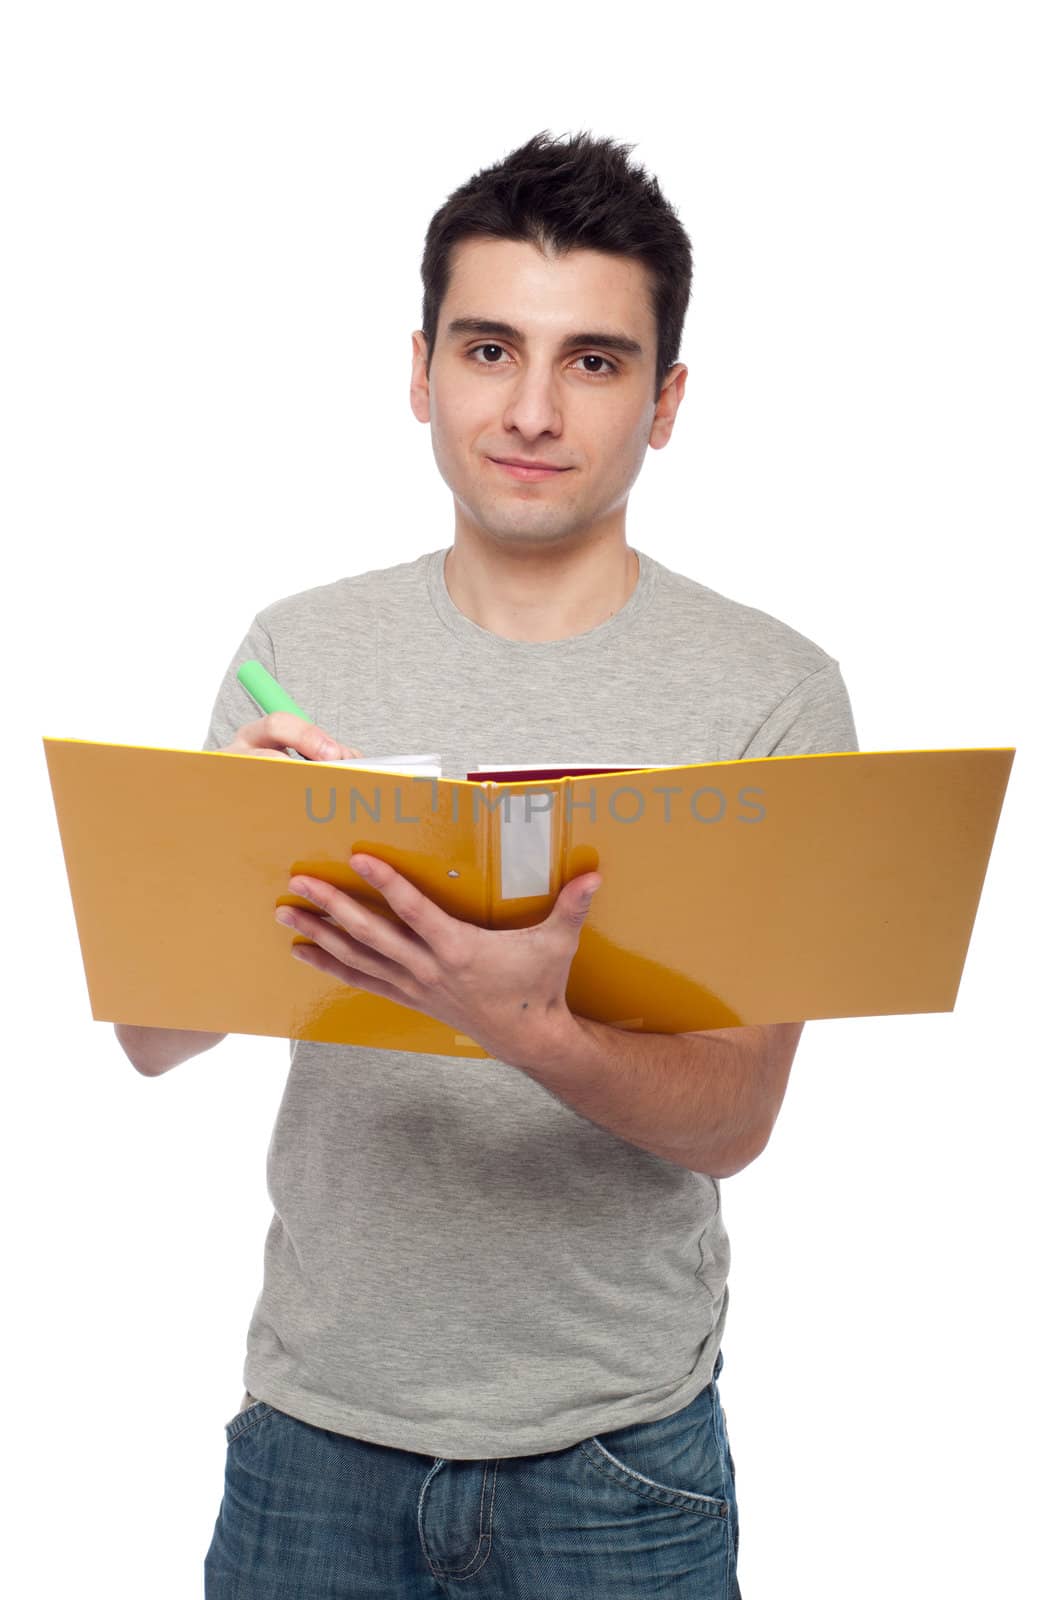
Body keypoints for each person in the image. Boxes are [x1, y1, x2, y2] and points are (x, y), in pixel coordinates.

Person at [117, 129, 858, 1600]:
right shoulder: (297, 656)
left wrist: (526, 1028)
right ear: (420, 371)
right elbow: (151, 1037)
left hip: (615, 1457)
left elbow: (736, 1119)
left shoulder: (769, 692)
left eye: (593, 361)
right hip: (314, 1435)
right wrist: (243, 865)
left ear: (667, 402)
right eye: (488, 348)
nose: (530, 408)